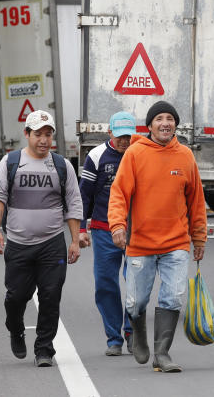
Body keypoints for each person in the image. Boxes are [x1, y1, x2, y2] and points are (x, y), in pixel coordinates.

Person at [108, 100, 207, 373]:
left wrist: (199, 238)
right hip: (140, 244)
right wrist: (117, 225)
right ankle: (138, 331)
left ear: (176, 124)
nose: (166, 123)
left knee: (174, 297)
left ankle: (162, 353)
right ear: (149, 125)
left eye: (171, 119)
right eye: (160, 119)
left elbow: (196, 201)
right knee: (136, 301)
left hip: (175, 243)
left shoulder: (185, 155)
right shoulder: (135, 154)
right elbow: (119, 193)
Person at [0, 110, 87, 367]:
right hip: (18, 244)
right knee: (16, 297)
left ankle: (44, 349)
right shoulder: (10, 162)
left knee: (51, 296)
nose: (44, 140)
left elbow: (73, 203)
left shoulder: (62, 166)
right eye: (38, 134)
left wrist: (75, 240)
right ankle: (16, 328)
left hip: (52, 243)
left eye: (48, 134)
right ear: (27, 135)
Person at [79, 111, 137, 356]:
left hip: (136, 231)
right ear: (110, 132)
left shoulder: (140, 153)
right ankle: (114, 338)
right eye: (120, 136)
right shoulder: (96, 156)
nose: (124, 141)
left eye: (128, 136)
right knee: (106, 285)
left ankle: (133, 333)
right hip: (103, 231)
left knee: (136, 284)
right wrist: (81, 229)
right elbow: (84, 196)